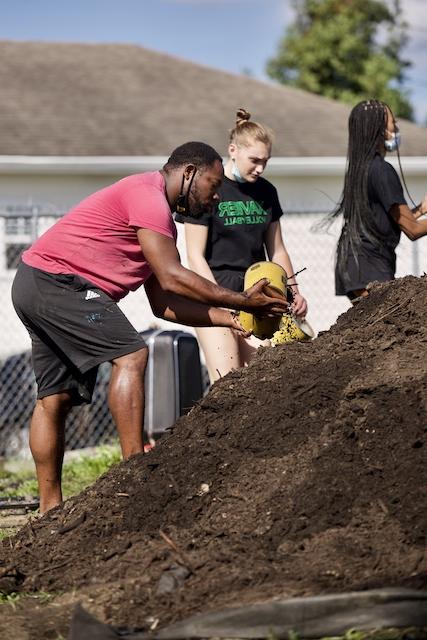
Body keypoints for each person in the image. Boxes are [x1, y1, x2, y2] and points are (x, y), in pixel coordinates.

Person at [11, 141, 288, 514]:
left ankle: (49, 509)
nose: (217, 196)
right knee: (132, 354)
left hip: (34, 282)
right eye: (213, 183)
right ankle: (133, 473)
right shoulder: (148, 198)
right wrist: (240, 300)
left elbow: (164, 303)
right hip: (58, 283)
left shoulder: (157, 221)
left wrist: (231, 319)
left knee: (54, 397)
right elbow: (174, 277)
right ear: (188, 173)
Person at [175, 109, 307, 383]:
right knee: (228, 379)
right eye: (254, 160)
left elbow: (277, 250)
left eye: (265, 162)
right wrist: (221, 301)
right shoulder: (208, 189)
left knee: (261, 377)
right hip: (213, 292)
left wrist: (294, 292)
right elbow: (195, 257)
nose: (260, 168)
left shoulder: (266, 192)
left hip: (255, 293)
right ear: (233, 150)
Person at [331, 99, 427, 302]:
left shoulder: (360, 168)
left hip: (354, 265)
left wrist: (420, 210)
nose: (397, 129)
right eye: (393, 123)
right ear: (380, 129)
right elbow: (413, 230)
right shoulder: (382, 170)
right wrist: (415, 220)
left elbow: (384, 218)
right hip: (369, 265)